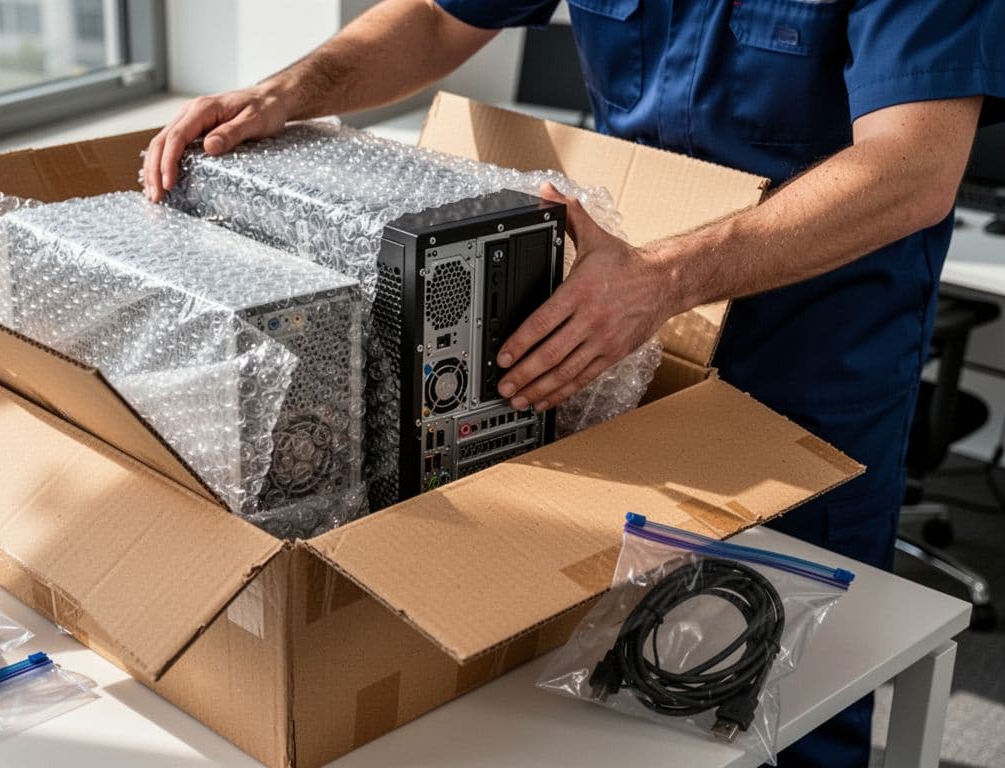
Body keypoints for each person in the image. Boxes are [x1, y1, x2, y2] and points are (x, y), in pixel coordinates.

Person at [145, 1, 1003, 763]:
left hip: (807, 356)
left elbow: (913, 170)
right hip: (613, 332)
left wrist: (662, 280)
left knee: (785, 688)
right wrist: (294, 88)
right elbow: (442, 17)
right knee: (614, 685)